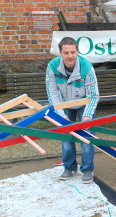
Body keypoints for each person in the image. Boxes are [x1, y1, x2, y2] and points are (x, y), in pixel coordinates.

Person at [46, 37, 99, 183]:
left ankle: (87, 169)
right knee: (66, 137)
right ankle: (69, 167)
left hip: (85, 103)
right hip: (64, 104)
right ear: (60, 53)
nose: (70, 56)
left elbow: (93, 95)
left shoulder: (86, 67)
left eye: (73, 52)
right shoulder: (53, 66)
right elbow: (53, 93)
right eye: (66, 52)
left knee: (87, 137)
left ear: (77, 51)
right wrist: (61, 115)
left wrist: (87, 115)